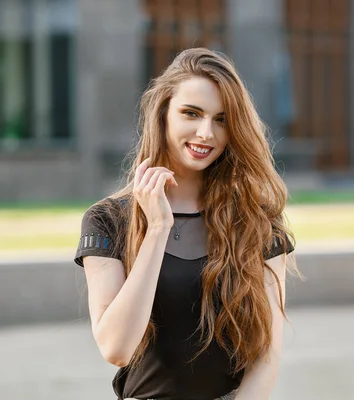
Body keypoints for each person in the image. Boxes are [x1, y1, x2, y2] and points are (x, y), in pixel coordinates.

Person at [73, 47, 300, 400]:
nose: (206, 133)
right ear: (163, 114)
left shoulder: (258, 220)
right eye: (191, 113)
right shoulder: (108, 220)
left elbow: (266, 354)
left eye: (221, 119)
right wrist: (158, 229)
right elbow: (116, 348)